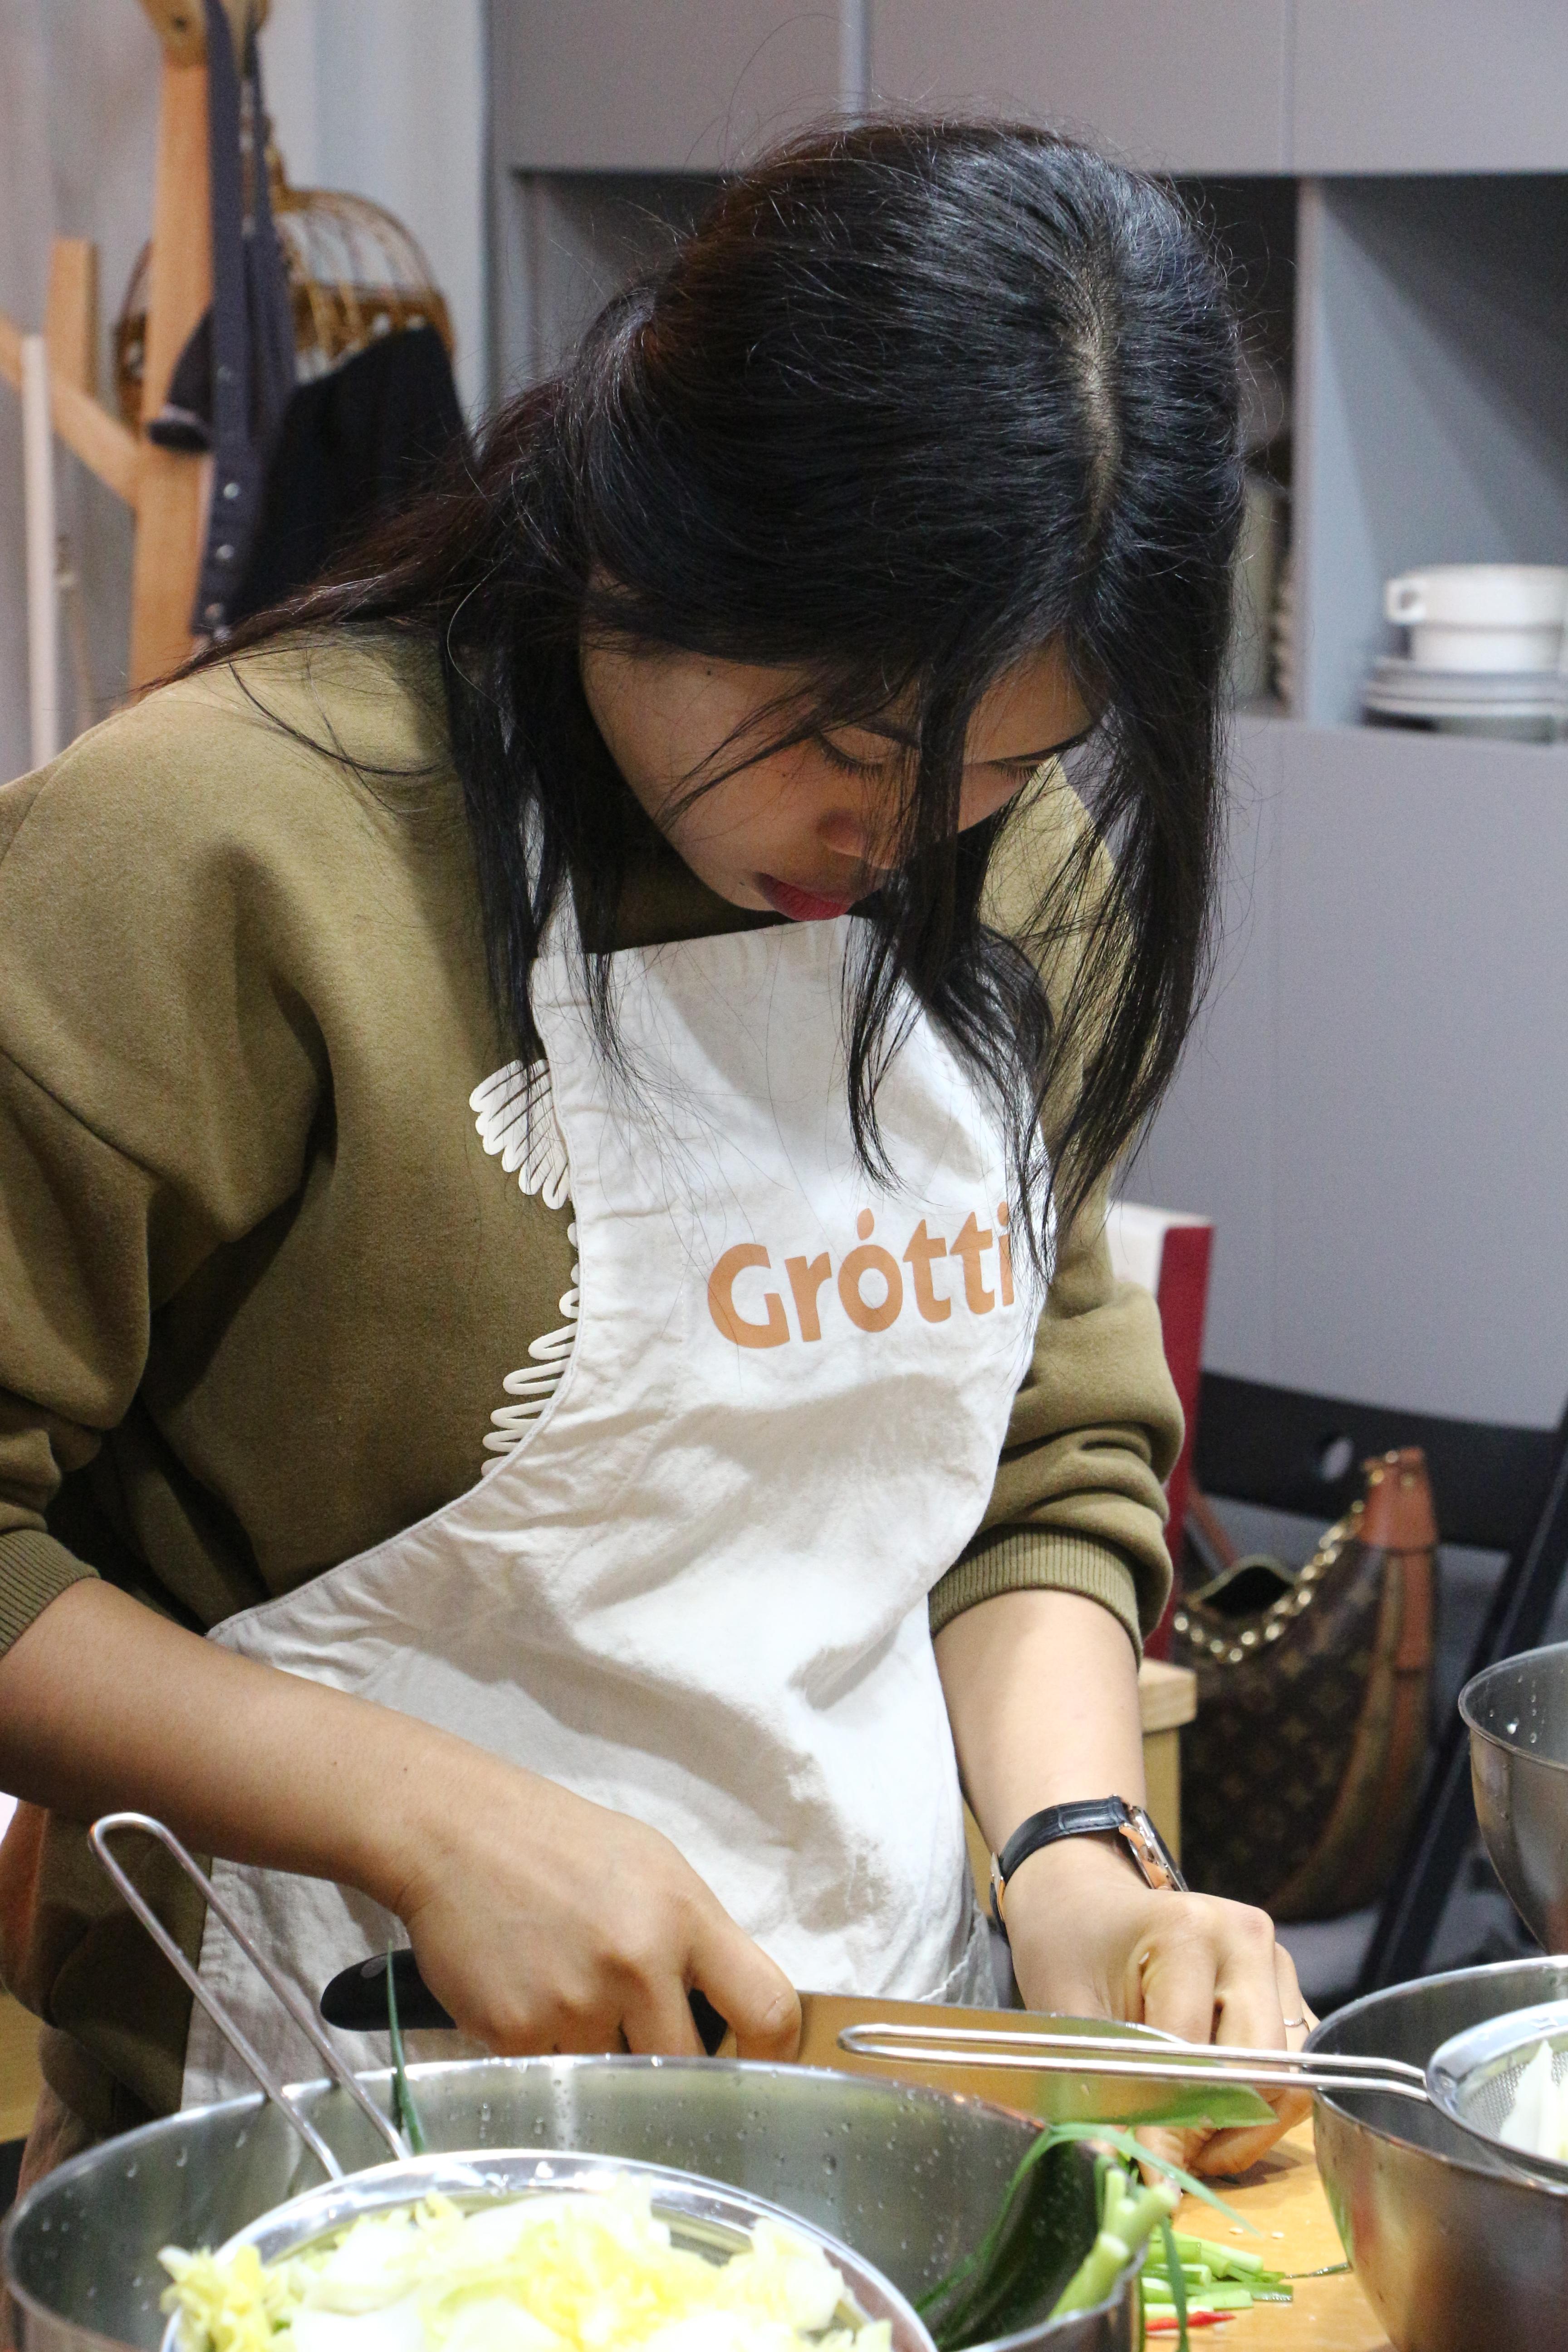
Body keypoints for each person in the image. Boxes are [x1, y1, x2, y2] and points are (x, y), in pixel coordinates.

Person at [0, 120, 1308, 2191]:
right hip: (317, 2124)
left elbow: (1038, 1455)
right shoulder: (215, 855)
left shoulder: (1014, 865)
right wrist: (427, 1818)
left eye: (1002, 765)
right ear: (645, 532)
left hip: (882, 2098)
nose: (904, 837)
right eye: (845, 743)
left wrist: (1078, 1860)